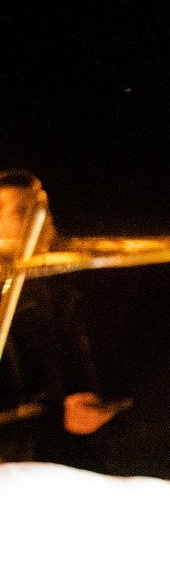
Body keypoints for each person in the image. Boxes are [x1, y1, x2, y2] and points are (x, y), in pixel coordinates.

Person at [1, 172, 126, 467]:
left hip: (59, 466)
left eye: (37, 211)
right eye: (19, 211)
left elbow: (98, 368)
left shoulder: (64, 290)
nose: (31, 220)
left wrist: (95, 399)